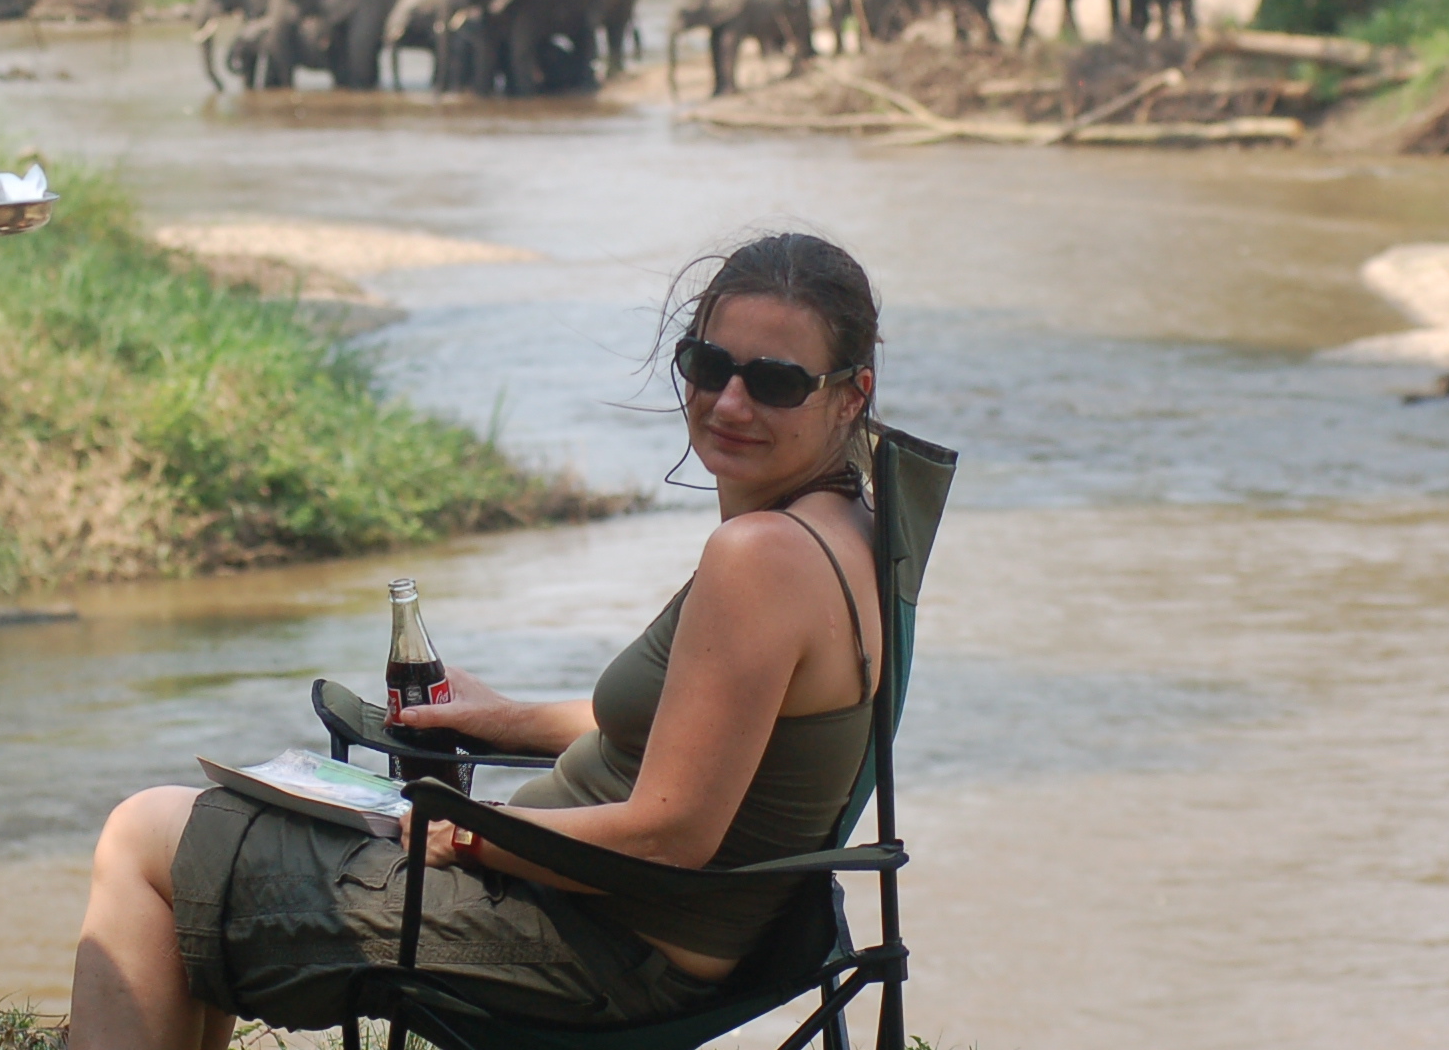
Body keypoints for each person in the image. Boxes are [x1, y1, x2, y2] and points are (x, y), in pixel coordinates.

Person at [66, 232, 886, 1048]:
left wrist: (465, 833)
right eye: (709, 366)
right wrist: (507, 719)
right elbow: (712, 730)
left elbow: (669, 834)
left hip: (592, 948)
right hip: (617, 920)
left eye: (776, 382)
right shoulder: (848, 526)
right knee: (210, 838)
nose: (731, 403)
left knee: (146, 837)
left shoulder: (761, 558)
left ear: (851, 396)